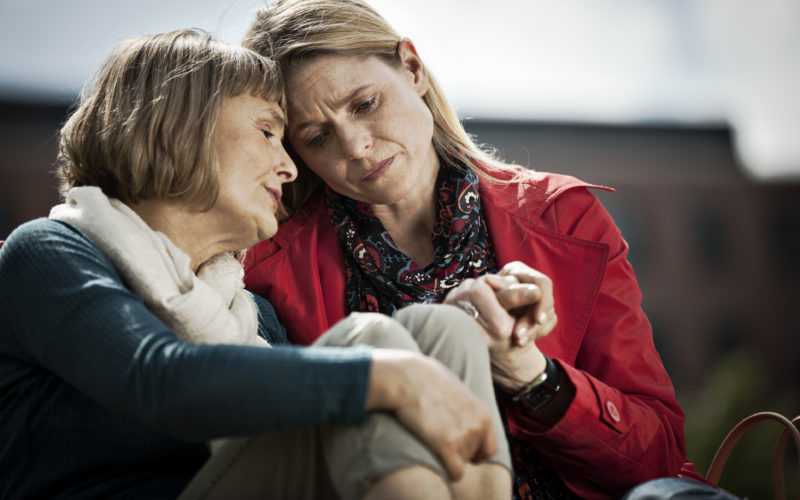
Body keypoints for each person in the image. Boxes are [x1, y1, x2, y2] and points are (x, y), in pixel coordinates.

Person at [240, 1, 737, 498]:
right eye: (318, 136)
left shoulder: (566, 218)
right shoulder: (268, 274)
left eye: (365, 104)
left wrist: (533, 377)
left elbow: (661, 458)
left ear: (411, 68)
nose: (355, 147)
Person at [0, 28, 514, 499]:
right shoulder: (48, 253)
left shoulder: (255, 317)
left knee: (445, 328)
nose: (290, 167)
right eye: (269, 132)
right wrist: (381, 375)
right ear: (183, 129)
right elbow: (158, 380)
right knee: (371, 347)